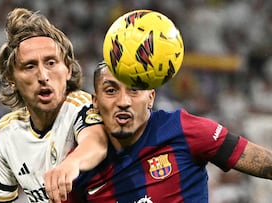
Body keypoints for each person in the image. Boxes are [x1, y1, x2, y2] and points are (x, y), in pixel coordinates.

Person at [47, 61, 272, 203]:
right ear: (94, 102)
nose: (123, 101)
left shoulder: (185, 129)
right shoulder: (78, 167)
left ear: (151, 98)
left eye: (134, 90)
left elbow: (266, 164)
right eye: (111, 90)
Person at [0, 8, 108, 203]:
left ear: (68, 69)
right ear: (11, 79)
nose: (43, 76)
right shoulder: (5, 135)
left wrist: (71, 164)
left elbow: (96, 143)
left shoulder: (79, 106)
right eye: (30, 66)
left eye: (51, 63)